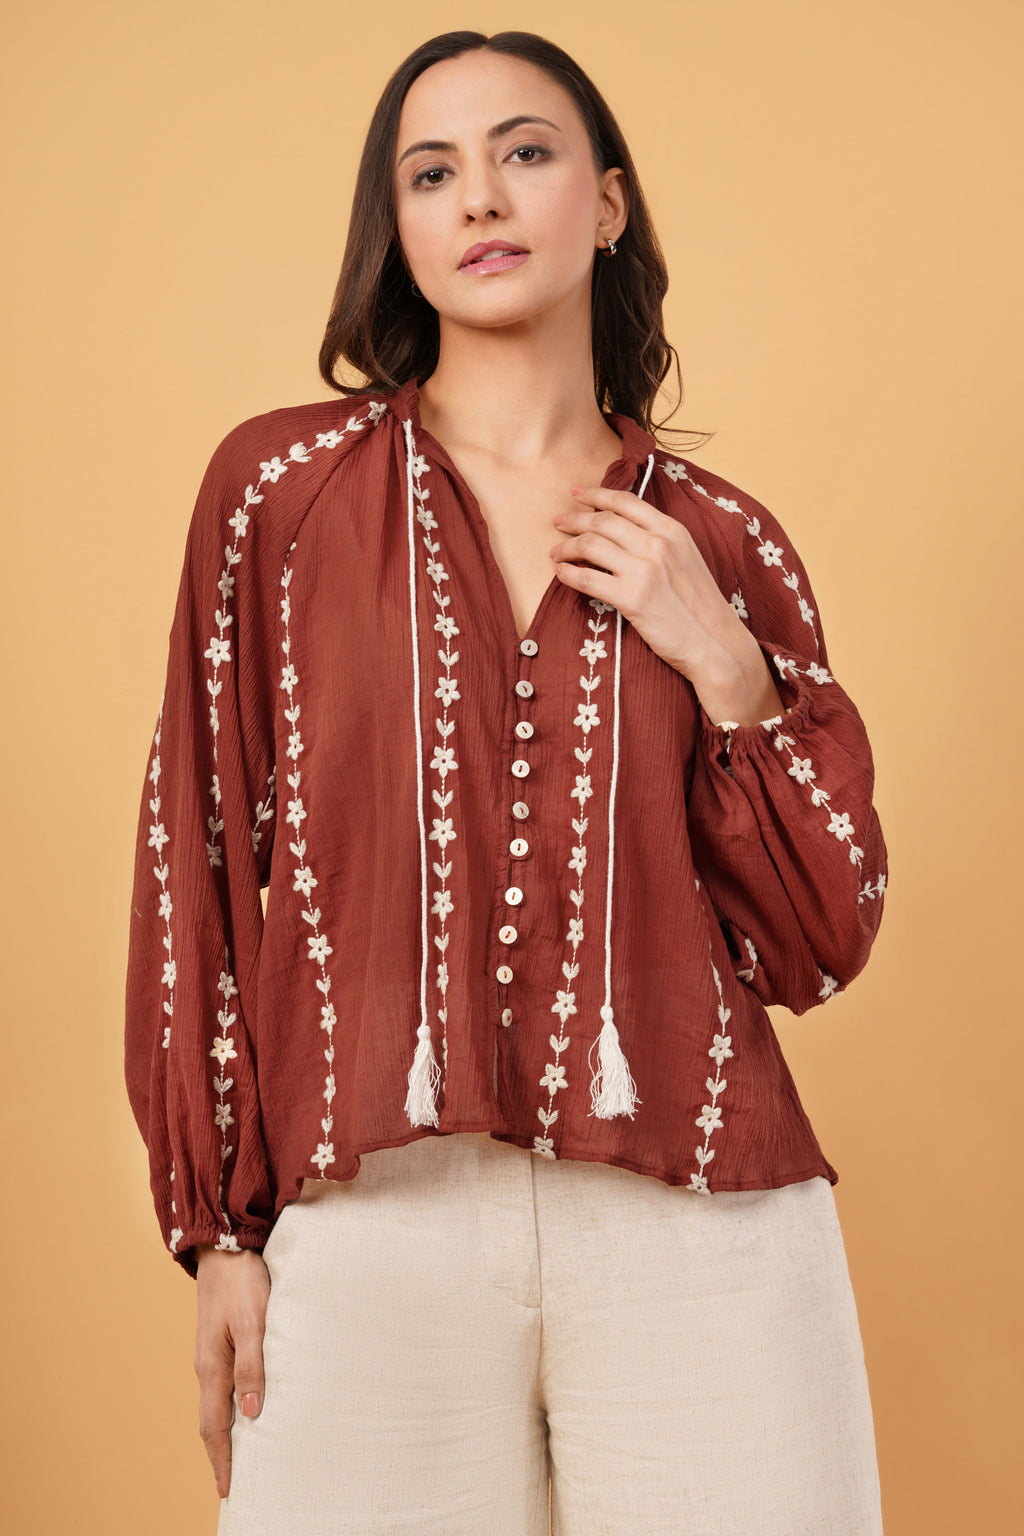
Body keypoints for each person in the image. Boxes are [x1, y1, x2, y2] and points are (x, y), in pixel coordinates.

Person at [124, 28, 888, 1536]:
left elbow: (820, 939)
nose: (479, 197)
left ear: (606, 204)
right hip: (375, 1234)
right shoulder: (280, 498)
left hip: (704, 1233)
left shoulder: (720, 540)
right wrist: (218, 1232)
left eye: (524, 153)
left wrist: (725, 665)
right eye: (432, 173)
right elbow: (195, 858)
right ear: (398, 232)